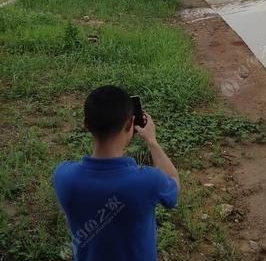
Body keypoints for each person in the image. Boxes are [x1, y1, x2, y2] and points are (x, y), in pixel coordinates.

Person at [53, 85, 180, 261]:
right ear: (130, 124)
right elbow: (174, 187)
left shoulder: (63, 176)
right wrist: (152, 141)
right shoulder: (149, 181)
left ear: (86, 125)